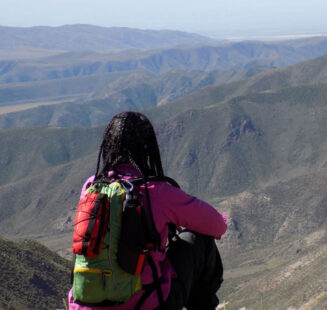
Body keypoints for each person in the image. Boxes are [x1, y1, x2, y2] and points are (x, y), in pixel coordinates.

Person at [68, 111, 227, 310]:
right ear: (148, 152)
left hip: (86, 304)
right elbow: (217, 226)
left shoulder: (91, 187)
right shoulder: (155, 191)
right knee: (199, 240)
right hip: (146, 304)